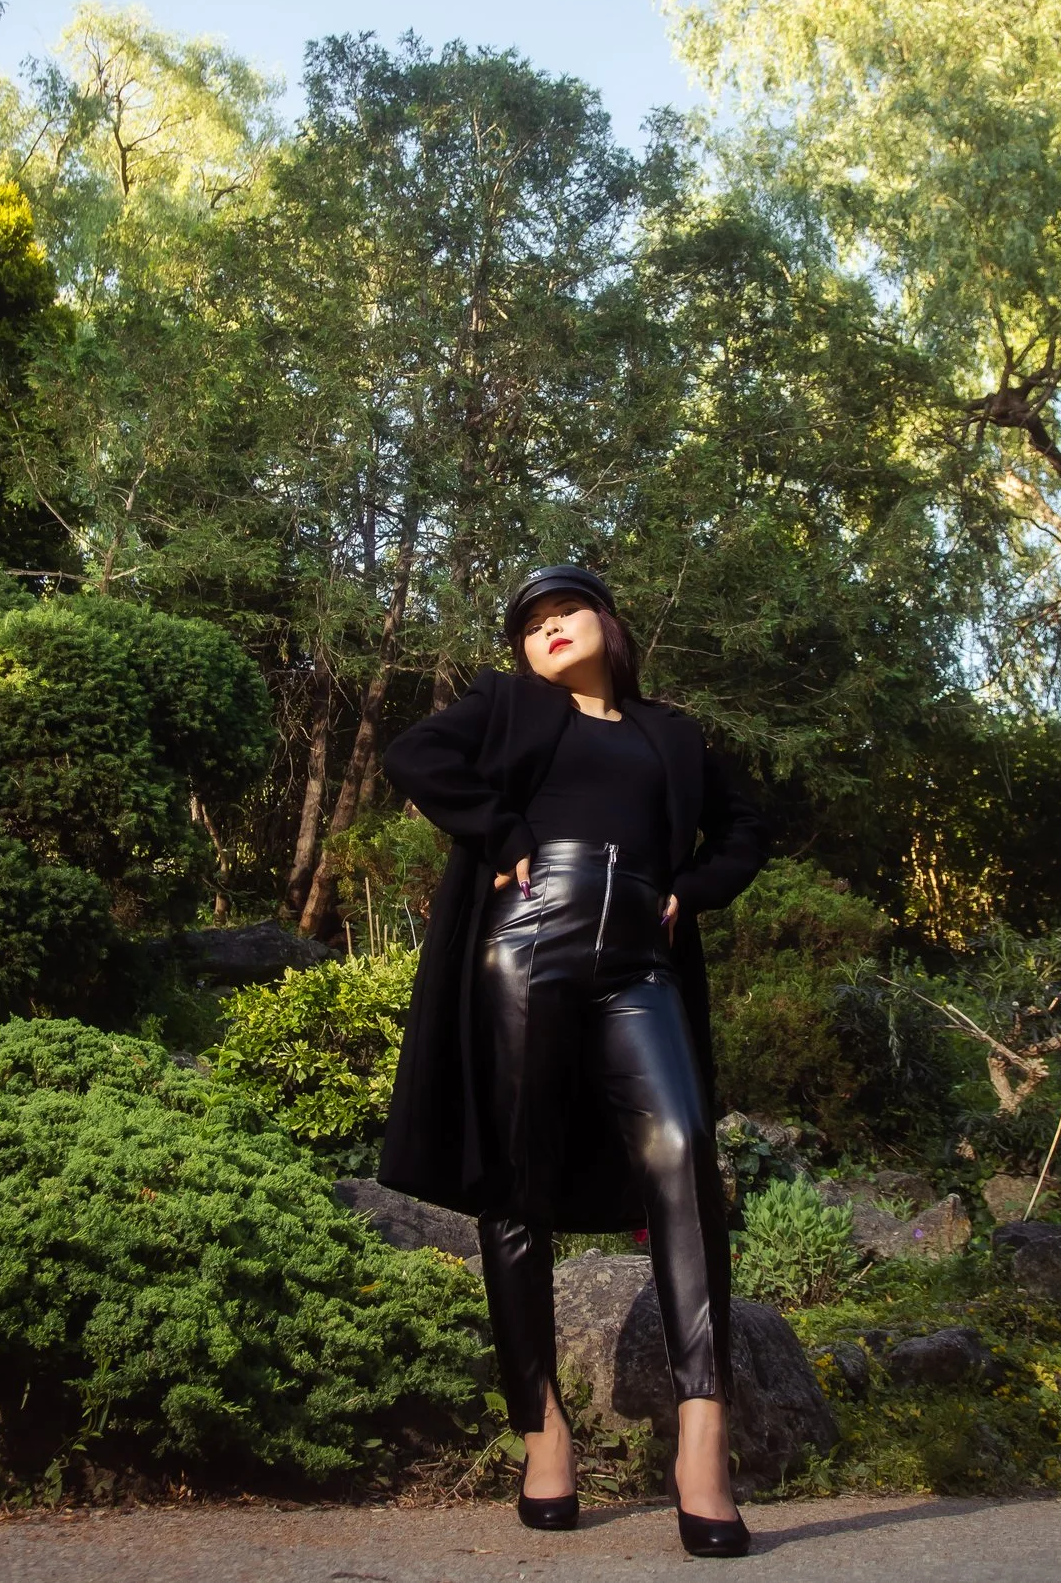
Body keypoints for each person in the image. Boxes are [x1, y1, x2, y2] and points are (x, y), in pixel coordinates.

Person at [379, 564, 767, 1558]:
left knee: (682, 1154)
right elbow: (416, 755)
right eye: (531, 623)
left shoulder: (669, 732)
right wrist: (500, 828)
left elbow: (747, 827)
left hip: (641, 959)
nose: (549, 629)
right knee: (519, 1178)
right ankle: (541, 1430)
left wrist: (695, 887)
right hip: (527, 942)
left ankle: (702, 1443)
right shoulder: (506, 704)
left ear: (608, 622)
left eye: (567, 611)